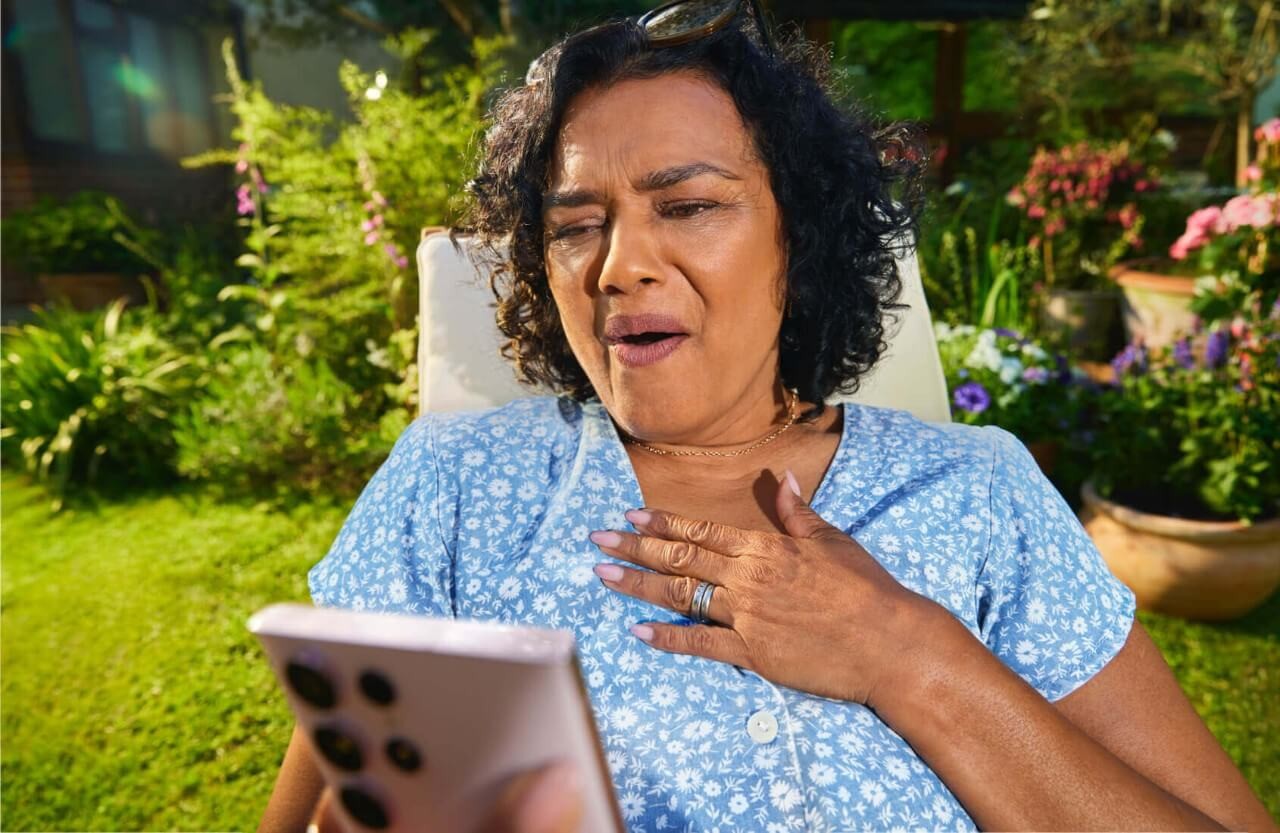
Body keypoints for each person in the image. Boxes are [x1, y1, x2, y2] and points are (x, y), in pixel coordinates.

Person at [259, 1, 1276, 831]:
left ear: (801, 233)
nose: (619, 266)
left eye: (688, 205)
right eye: (575, 226)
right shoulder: (451, 485)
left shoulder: (977, 490)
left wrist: (906, 656)